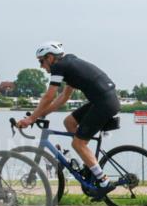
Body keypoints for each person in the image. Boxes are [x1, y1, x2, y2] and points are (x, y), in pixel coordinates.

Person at [17, 42, 119, 196]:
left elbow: (49, 95)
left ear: (50, 58)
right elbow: (64, 97)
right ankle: (90, 165)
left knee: (78, 143)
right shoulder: (69, 63)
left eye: (41, 61)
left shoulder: (59, 67)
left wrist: (31, 118)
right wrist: (42, 114)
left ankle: (103, 181)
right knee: (69, 122)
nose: (41, 66)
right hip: (104, 100)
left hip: (103, 103)